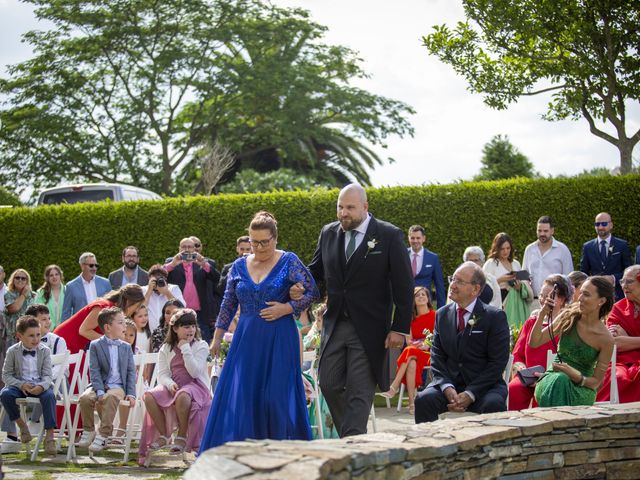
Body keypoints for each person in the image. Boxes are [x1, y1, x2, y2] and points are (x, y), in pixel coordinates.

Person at [200, 211, 319, 450]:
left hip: (280, 336)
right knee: (246, 395)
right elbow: (227, 303)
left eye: (264, 241)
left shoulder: (289, 261)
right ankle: (246, 453)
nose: (259, 247)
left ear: (275, 238)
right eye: (254, 242)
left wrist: (287, 308)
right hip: (246, 338)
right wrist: (216, 338)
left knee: (277, 397)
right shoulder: (238, 265)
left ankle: (281, 452)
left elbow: (312, 292)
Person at [306, 184, 413, 437]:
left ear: (365, 207)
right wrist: (299, 288)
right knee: (328, 383)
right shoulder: (328, 233)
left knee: (359, 389)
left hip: (370, 329)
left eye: (350, 207)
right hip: (335, 325)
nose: (344, 213)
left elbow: (404, 285)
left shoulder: (389, 235)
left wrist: (399, 327)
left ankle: (353, 444)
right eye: (340, 207)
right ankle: (354, 435)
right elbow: (316, 273)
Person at [414, 262, 510, 423]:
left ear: (476, 289)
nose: (452, 285)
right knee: (424, 400)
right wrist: (446, 387)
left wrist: (471, 393)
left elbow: (497, 362)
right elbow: (436, 356)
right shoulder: (442, 314)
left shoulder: (494, 317)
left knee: (494, 404)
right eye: (453, 279)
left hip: (484, 387)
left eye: (459, 281)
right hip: (449, 385)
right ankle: (429, 447)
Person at [139, 309, 211, 464]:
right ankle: (165, 435)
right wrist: (170, 383)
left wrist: (185, 348)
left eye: (192, 326)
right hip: (175, 386)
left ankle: (182, 436)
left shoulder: (201, 345)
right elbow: (162, 374)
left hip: (195, 386)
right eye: (185, 326)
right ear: (175, 328)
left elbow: (194, 372)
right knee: (149, 396)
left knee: (183, 395)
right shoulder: (166, 348)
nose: (190, 329)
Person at [531, 276, 614, 407]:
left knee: (562, 380)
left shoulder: (606, 339)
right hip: (553, 378)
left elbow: (596, 382)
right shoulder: (569, 316)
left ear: (601, 301)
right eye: (580, 293)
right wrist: (542, 314)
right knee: (560, 380)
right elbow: (534, 342)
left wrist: (576, 376)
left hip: (581, 387)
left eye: (586, 295)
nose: (580, 298)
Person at [76, 307, 136, 453]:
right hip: (99, 384)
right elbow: (94, 370)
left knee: (110, 398)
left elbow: (130, 372)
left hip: (118, 386)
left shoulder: (126, 347)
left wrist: (131, 393)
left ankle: (103, 434)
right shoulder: (96, 345)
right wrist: (100, 390)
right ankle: (89, 430)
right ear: (108, 327)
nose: (124, 326)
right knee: (84, 398)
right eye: (121, 323)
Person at [508, 275, 570, 410]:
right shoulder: (531, 322)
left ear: (561, 299)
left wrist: (547, 377)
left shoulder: (567, 326)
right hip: (528, 377)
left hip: (554, 377)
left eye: (548, 296)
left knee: (546, 393)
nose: (542, 300)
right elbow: (517, 354)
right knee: (514, 388)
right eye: (541, 295)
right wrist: (521, 369)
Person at [0, 315, 57, 455]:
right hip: (21, 386)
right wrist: (21, 384)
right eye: (31, 336)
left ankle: (50, 436)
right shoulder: (12, 351)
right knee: (5, 394)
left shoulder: (45, 351)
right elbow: (6, 375)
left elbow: (48, 375)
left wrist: (42, 386)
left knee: (49, 396)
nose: (36, 339)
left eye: (38, 335)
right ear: (19, 336)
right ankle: (21, 425)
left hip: (39, 385)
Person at [381, 287, 436, 414]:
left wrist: (426, 344)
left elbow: (436, 337)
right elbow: (409, 341)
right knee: (411, 362)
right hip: (414, 354)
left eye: (423, 295)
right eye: (417, 295)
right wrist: (421, 344)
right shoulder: (409, 320)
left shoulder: (435, 316)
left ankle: (394, 387)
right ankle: (412, 403)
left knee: (410, 351)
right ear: (413, 300)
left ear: (428, 299)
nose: (421, 297)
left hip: (430, 354)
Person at [53, 284, 145, 355]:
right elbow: (84, 330)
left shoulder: (114, 311)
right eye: (137, 306)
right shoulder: (104, 307)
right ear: (128, 301)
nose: (136, 310)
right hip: (64, 344)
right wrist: (112, 341)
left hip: (78, 349)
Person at [596, 265, 640, 403]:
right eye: (622, 281)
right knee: (617, 377)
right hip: (620, 360)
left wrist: (627, 339)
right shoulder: (618, 308)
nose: (624, 286)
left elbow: (622, 341)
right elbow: (615, 343)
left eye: (629, 281)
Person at [164, 237, 220, 344]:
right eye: (184, 247)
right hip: (178, 312)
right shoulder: (172, 262)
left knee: (202, 345)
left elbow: (217, 279)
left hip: (200, 314)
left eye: (189, 247)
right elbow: (159, 276)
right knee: (178, 344)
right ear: (179, 249)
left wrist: (204, 264)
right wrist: (172, 265)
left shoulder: (203, 262)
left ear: (194, 249)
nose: (187, 249)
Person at [522, 216, 574, 309]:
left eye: (545, 231)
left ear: (552, 231)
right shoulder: (529, 249)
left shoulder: (562, 250)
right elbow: (523, 273)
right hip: (532, 302)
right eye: (539, 231)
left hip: (555, 303)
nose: (542, 234)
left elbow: (569, 278)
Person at [483, 233, 533, 327]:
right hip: (500, 303)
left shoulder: (516, 264)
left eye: (508, 248)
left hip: (517, 304)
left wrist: (520, 287)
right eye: (502, 248)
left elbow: (525, 283)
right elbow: (484, 288)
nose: (505, 251)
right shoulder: (491, 264)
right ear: (496, 248)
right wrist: (500, 280)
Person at [579, 212, 632, 301]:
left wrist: (613, 278)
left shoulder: (622, 245)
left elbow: (628, 271)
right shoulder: (588, 247)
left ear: (611, 225)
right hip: (595, 296)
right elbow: (583, 272)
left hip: (618, 295)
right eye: (597, 224)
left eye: (604, 224)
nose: (600, 227)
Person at [61, 252, 111, 322]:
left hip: (102, 325)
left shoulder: (105, 283)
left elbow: (111, 306)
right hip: (80, 326)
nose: (94, 268)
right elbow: (66, 313)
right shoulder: (71, 286)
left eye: (96, 265)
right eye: (91, 265)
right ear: (82, 266)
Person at [408, 225, 446, 307]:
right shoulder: (402, 255)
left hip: (425, 303)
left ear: (423, 238)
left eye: (418, 238)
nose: (415, 241)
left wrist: (441, 308)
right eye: (412, 238)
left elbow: (439, 285)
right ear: (409, 238)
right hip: (405, 302)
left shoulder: (433, 258)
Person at [142, 264, 185, 332]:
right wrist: (149, 291)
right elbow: (140, 309)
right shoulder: (143, 290)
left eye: (160, 278)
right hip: (148, 332)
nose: (157, 282)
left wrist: (166, 292)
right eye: (155, 279)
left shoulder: (173, 288)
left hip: (170, 331)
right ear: (149, 279)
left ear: (165, 279)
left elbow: (182, 307)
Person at [3, 269, 36, 347]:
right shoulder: (8, 294)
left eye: (23, 278)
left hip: (29, 333)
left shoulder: (33, 295)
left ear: (27, 281)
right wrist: (24, 294)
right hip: (12, 335)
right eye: (17, 277)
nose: (20, 280)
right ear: (13, 279)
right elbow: (14, 308)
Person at [34, 265, 66, 329]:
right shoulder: (41, 293)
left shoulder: (68, 291)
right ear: (47, 278)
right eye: (51, 275)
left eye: (56, 274)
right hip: (47, 329)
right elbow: (37, 311)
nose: (54, 277)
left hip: (65, 328)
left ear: (60, 276)